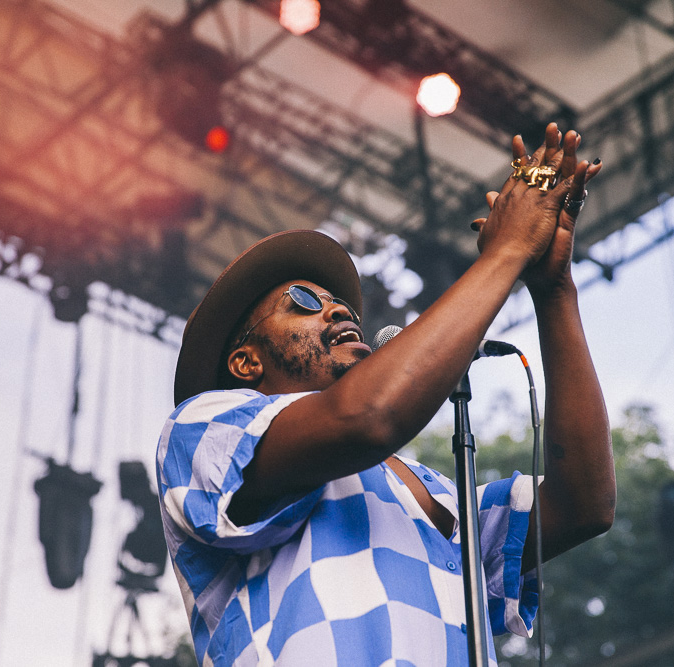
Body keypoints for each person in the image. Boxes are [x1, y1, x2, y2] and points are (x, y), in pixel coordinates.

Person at [157, 123, 616, 666]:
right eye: (302, 301)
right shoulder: (205, 426)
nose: (338, 310)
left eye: (341, 305)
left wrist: (553, 286)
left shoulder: (432, 491)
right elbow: (368, 418)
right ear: (245, 361)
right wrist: (509, 249)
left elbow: (583, 504)